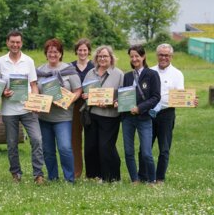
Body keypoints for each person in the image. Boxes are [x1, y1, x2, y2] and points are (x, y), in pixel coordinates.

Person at [139, 43, 197, 183]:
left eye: (166, 55)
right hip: (148, 114)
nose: (163, 57)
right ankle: (143, 176)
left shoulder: (177, 74)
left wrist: (190, 101)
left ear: (171, 56)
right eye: (161, 54)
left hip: (166, 114)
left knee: (164, 148)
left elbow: (180, 96)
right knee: (145, 147)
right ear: (156, 55)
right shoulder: (148, 71)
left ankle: (159, 178)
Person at [0, 30, 45, 184]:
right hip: (9, 110)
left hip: (28, 108)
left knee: (37, 139)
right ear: (7, 43)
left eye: (18, 42)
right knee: (11, 143)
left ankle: (38, 174)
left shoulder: (28, 61)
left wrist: (35, 102)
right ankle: (16, 173)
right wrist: (4, 92)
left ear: (21, 43)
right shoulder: (0, 62)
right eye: (12, 42)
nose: (15, 45)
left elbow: (34, 85)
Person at [36, 38, 82, 183]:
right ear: (46, 54)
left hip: (63, 117)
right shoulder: (40, 71)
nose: (53, 54)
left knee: (65, 148)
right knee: (48, 150)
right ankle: (53, 177)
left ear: (61, 53)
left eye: (56, 52)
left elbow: (78, 90)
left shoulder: (69, 70)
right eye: (50, 52)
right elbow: (35, 90)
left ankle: (69, 178)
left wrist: (68, 100)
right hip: (44, 117)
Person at [82, 45, 123, 182]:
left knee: (106, 147)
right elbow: (85, 92)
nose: (102, 59)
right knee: (91, 147)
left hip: (110, 116)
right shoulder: (90, 73)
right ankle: (94, 176)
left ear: (111, 58)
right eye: (100, 56)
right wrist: (86, 96)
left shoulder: (118, 74)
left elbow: (123, 95)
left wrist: (113, 102)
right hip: (92, 115)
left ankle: (112, 177)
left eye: (105, 56)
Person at [122, 44, 161, 184]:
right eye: (132, 56)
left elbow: (156, 97)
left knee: (146, 153)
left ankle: (152, 180)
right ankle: (135, 180)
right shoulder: (127, 76)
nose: (134, 59)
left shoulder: (152, 74)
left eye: (137, 56)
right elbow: (123, 94)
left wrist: (140, 108)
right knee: (128, 151)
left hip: (144, 118)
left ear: (143, 56)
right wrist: (117, 102)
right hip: (127, 119)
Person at [70, 38, 94, 178]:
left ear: (89, 51)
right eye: (80, 50)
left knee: (90, 140)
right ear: (76, 51)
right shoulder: (69, 67)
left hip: (91, 107)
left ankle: (91, 172)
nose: (82, 52)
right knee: (75, 140)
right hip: (74, 106)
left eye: (85, 50)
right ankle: (77, 171)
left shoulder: (94, 66)